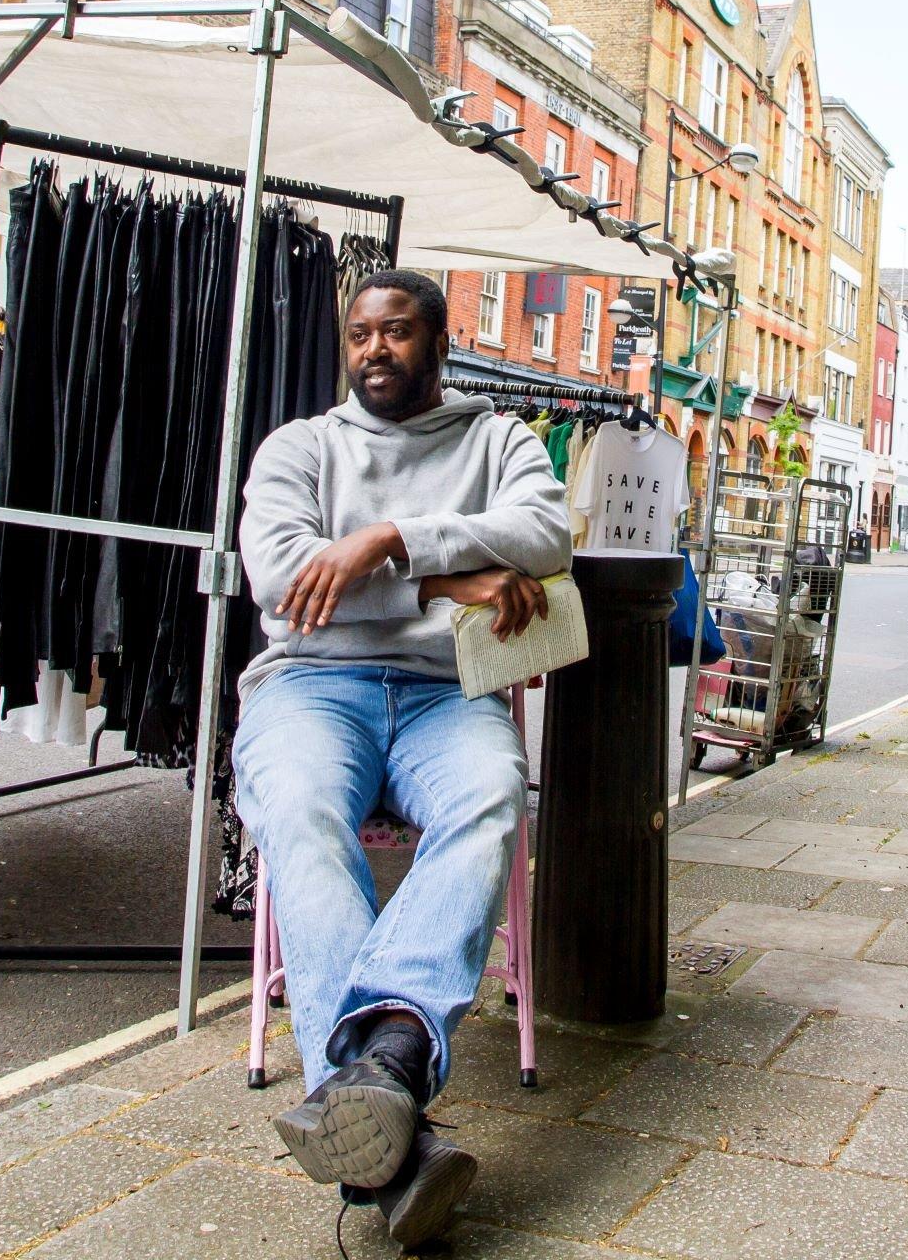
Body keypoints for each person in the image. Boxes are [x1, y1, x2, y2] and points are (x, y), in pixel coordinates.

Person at [234, 270, 569, 1248]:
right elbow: (283, 582)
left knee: (492, 795)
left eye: (397, 332)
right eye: (359, 335)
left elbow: (548, 533)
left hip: (441, 696)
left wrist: (386, 540)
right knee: (296, 807)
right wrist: (452, 575)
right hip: (310, 685)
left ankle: (369, 1084)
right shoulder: (300, 447)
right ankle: (390, 1105)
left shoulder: (496, 437)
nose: (374, 349)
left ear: (438, 341)